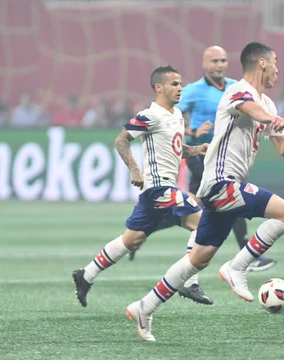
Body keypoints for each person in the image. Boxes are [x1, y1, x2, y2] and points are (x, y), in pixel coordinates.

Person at [125, 42, 284, 341]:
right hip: (220, 183)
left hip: (228, 189)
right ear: (262, 63)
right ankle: (237, 268)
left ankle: (144, 308)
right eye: (275, 62)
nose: (279, 69)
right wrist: (269, 117)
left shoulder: (270, 105)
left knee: (198, 260)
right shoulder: (237, 90)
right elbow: (248, 108)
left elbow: (283, 149)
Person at [129, 46, 276, 280]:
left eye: (223, 60)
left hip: (227, 157)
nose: (219, 65)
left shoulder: (235, 87)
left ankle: (144, 230)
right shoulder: (192, 91)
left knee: (207, 206)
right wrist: (193, 131)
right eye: (214, 61)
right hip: (202, 158)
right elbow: (168, 116)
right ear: (205, 64)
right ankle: (246, 258)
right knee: (218, 203)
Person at [71, 65, 209, 308]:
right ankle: (189, 282)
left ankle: (86, 275)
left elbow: (177, 150)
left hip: (156, 193)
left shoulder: (176, 115)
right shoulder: (150, 115)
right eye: (174, 84)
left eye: (180, 83)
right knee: (203, 222)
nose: (180, 88)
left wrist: (196, 150)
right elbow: (121, 139)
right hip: (159, 189)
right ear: (159, 87)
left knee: (131, 240)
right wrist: (135, 169)